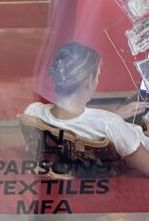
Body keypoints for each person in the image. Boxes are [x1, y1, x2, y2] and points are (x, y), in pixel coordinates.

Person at [23, 42, 149, 175]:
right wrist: (112, 119)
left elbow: (80, 123)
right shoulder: (111, 125)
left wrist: (114, 115)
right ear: (89, 81)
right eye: (98, 75)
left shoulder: (34, 112)